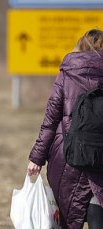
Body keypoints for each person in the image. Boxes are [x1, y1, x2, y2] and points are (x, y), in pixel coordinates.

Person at [27, 29, 103, 229]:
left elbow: (50, 119)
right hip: (101, 155)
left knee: (69, 217)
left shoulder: (67, 74)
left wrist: (36, 157)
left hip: (68, 155)